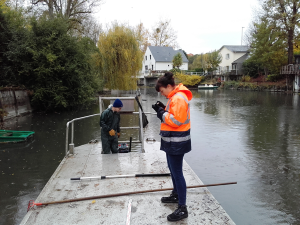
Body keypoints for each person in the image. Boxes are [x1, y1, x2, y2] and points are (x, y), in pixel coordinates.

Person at [152, 72, 192, 222]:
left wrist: (161, 113)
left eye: (162, 91)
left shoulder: (179, 98)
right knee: (172, 169)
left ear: (169, 86)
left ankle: (182, 208)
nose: (162, 94)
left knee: (177, 172)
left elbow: (176, 121)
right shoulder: (174, 97)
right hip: (172, 141)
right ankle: (176, 194)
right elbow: (174, 115)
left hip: (177, 142)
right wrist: (163, 109)